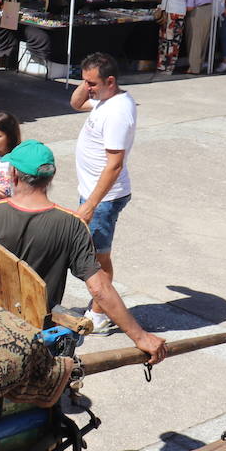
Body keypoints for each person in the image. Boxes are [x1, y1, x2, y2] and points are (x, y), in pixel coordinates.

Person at [0, 140, 166, 363]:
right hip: (39, 336)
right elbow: (99, 287)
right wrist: (140, 337)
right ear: (50, 178)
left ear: (14, 172)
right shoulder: (71, 224)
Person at [70, 52, 137, 333]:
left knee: (98, 259)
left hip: (104, 199)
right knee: (93, 256)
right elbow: (74, 104)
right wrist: (86, 84)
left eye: (92, 84)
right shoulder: (103, 99)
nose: (88, 89)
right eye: (86, 83)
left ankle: (99, 314)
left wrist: (92, 204)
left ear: (110, 81)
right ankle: (98, 304)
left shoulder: (118, 111)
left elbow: (114, 164)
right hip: (93, 194)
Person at [183, 0, 215, 75]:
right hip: (208, 10)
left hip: (197, 11)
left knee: (194, 40)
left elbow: (190, 6)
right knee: (203, 40)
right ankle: (199, 64)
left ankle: (194, 67)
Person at [156, 0, 187, 74]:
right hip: (181, 11)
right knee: (176, 39)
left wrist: (159, 1)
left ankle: (163, 65)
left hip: (170, 10)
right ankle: (171, 65)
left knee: (166, 38)